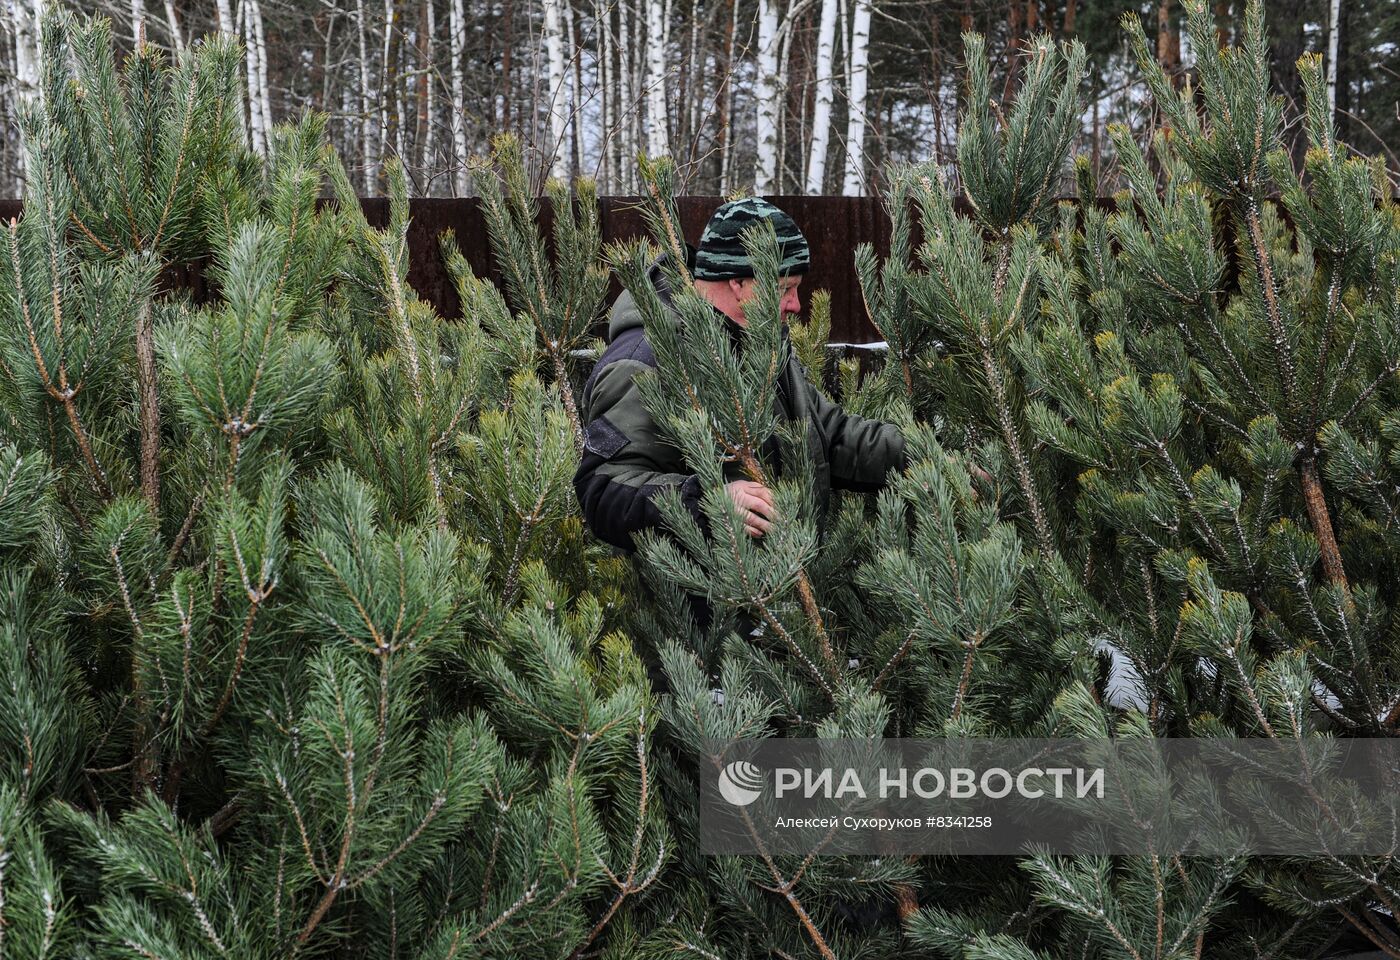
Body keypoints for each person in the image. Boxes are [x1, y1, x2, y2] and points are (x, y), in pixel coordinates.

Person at [573, 196, 906, 559]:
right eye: (784, 289)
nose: (795, 304)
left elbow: (831, 436)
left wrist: (926, 459)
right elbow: (601, 487)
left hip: (780, 595)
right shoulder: (645, 359)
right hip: (697, 608)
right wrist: (706, 502)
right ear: (736, 281)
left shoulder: (758, 343)